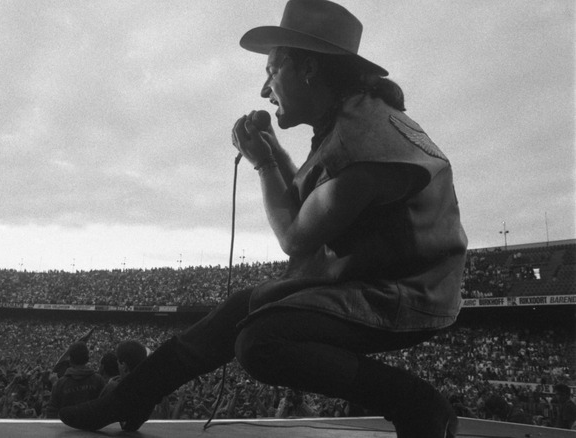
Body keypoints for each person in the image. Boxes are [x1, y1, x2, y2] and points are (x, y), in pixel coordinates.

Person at [58, 1, 468, 437]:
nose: (265, 90)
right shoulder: (355, 120)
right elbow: (312, 202)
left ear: (308, 67)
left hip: (405, 294)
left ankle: (417, 403)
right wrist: (274, 154)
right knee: (243, 306)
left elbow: (296, 237)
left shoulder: (359, 142)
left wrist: (264, 165)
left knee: (261, 342)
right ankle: (132, 397)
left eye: (272, 70)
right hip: (392, 280)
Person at [45, 342, 103, 418]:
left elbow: (51, 413)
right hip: (92, 428)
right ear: (87, 359)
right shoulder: (98, 380)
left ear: (70, 360)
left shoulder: (59, 384)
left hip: (66, 428)